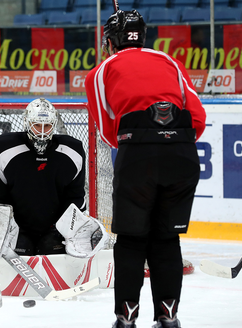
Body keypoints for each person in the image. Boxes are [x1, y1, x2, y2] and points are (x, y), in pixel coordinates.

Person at [85, 10, 206, 328]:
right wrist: (171, 141)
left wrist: (144, 143)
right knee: (166, 239)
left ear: (110, 42)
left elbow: (109, 132)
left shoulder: (101, 71)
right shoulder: (170, 62)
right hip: (182, 157)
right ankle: (168, 318)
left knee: (132, 239)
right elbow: (198, 120)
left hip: (137, 157)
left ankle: (126, 320)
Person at [0, 98, 86, 256]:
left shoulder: (72, 151)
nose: (42, 131)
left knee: (52, 248)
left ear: (54, 125)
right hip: (13, 227)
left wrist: (63, 230)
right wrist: (6, 229)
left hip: (55, 227)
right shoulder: (2, 149)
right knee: (21, 248)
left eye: (47, 125)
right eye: (37, 125)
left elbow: (75, 197)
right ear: (27, 123)